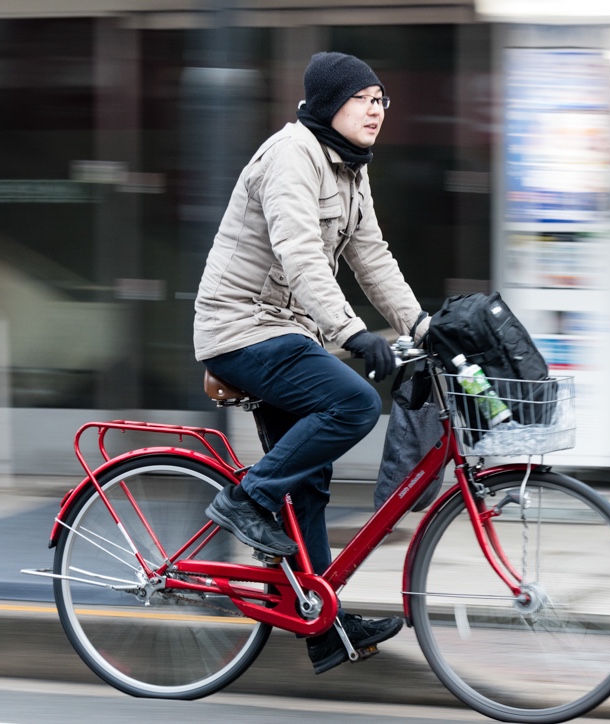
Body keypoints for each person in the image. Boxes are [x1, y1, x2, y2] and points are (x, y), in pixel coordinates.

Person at [193, 51, 428, 674]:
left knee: (310, 483)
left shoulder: (349, 167)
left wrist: (423, 328)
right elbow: (300, 254)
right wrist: (353, 333)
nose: (377, 109)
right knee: (353, 403)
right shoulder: (290, 157)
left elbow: (372, 257)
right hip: (242, 327)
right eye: (363, 98)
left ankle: (319, 624)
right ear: (330, 105)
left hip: (288, 330)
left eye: (383, 99)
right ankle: (248, 501)